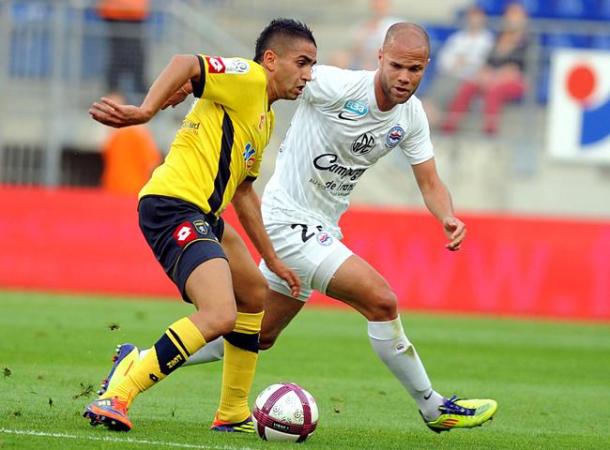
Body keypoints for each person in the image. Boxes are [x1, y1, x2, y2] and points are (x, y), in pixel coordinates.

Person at [106, 22, 498, 433]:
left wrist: (446, 215)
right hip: (287, 220)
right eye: (397, 66)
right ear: (380, 58)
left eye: (414, 69)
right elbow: (270, 75)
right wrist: (190, 86)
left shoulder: (411, 116)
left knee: (258, 334)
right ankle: (433, 407)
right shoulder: (334, 84)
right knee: (381, 301)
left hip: (322, 225)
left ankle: (137, 362)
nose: (404, 77)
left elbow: (430, 183)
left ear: (426, 67)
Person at [82, 18, 317, 433]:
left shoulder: (263, 118)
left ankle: (233, 413)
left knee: (253, 294)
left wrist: (272, 259)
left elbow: (243, 193)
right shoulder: (249, 78)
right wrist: (145, 111)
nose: (308, 75)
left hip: (203, 213)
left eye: (312, 65)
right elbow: (185, 62)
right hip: (173, 205)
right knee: (220, 314)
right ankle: (118, 392)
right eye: (302, 63)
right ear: (270, 59)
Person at [441, 2, 529, 135]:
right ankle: (450, 126)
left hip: (514, 81)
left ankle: (490, 130)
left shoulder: (528, 41)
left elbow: (517, 70)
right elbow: (488, 63)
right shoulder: (498, 38)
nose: (512, 19)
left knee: (494, 90)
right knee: (468, 86)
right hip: (493, 77)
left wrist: (497, 75)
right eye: (509, 15)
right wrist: (485, 74)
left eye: (516, 15)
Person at [423, 5, 494, 125]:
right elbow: (443, 59)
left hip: (470, 77)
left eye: (478, 16)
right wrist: (455, 63)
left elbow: (483, 62)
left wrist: (464, 62)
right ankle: (431, 117)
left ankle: (437, 120)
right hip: (450, 74)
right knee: (437, 88)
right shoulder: (457, 37)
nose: (474, 19)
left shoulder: (487, 39)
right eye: (472, 16)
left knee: (446, 90)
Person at [100, 92, 161, 195]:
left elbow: (152, 164)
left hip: (131, 192)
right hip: (113, 191)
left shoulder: (137, 132)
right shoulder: (113, 136)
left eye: (112, 108)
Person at [97, 0, 150, 100]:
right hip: (119, 14)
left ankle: (142, 96)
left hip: (132, 15)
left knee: (133, 59)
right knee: (121, 58)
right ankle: (115, 94)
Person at [330, 0, 402, 70]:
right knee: (338, 59)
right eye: (376, 4)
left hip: (382, 59)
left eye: (381, 4)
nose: (378, 7)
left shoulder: (396, 25)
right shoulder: (362, 25)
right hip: (361, 58)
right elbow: (354, 48)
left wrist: (372, 57)